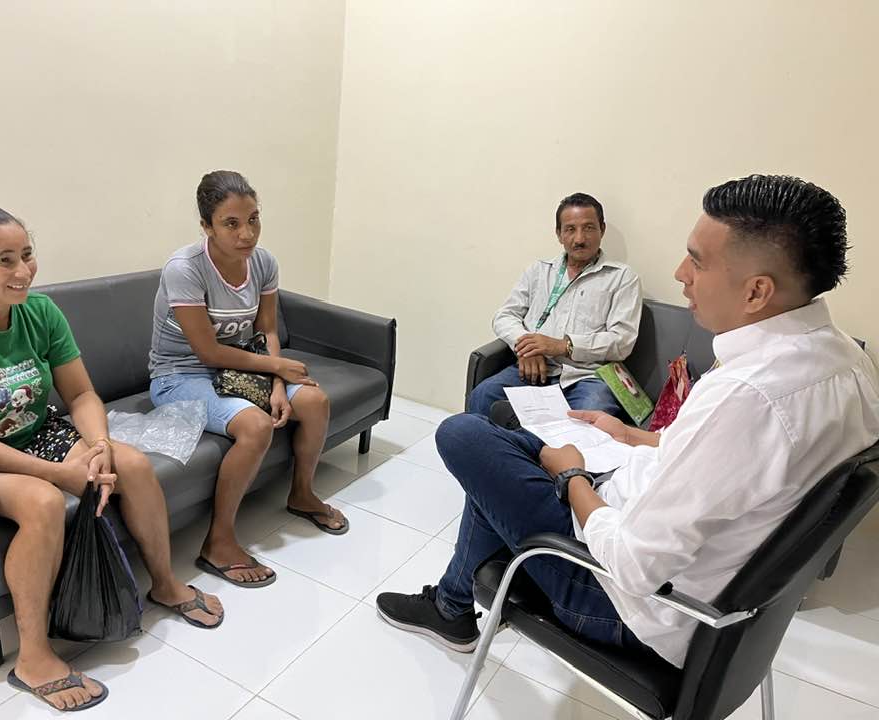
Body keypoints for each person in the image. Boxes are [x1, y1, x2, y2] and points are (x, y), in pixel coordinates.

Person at [377, 174, 879, 668]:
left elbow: (633, 565)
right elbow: (730, 468)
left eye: (697, 261)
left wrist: (573, 477)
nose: (681, 273)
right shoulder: (846, 362)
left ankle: (452, 607)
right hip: (650, 530)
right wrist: (631, 435)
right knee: (503, 450)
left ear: (756, 292)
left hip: (626, 603)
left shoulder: (748, 396)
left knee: (465, 436)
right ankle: (452, 605)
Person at [0, 202, 224, 713]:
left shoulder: (39, 312)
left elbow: (81, 394)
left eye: (27, 255)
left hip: (36, 434)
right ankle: (33, 658)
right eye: (4, 260)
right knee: (41, 502)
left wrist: (99, 446)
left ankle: (166, 584)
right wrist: (57, 473)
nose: (23, 271)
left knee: (132, 464)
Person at [149, 170, 348, 589]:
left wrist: (278, 384)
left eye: (253, 219)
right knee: (255, 426)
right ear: (207, 226)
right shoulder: (184, 269)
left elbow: (266, 330)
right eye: (232, 223)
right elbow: (207, 353)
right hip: (179, 374)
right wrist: (277, 369)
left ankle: (302, 493)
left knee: (314, 402)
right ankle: (218, 542)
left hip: (240, 368)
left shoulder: (264, 262)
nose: (247, 234)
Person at [468, 193, 642, 417]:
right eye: (570, 229)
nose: (579, 239)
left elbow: (622, 341)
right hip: (533, 368)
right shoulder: (538, 271)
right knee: (483, 395)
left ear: (602, 229)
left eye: (589, 228)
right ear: (559, 234)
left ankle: (526, 438)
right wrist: (527, 348)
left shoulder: (622, 277)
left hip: (586, 377)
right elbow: (504, 316)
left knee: (590, 416)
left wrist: (562, 346)